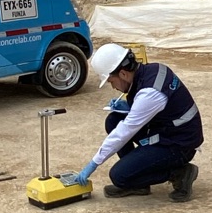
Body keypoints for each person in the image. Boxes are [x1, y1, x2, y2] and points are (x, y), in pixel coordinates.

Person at [61, 43, 202, 200]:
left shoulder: (149, 93)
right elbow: (156, 109)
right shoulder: (151, 70)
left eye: (111, 81)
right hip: (168, 130)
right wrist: (129, 106)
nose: (113, 87)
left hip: (179, 144)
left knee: (119, 176)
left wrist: (93, 164)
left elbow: (124, 132)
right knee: (113, 120)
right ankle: (139, 180)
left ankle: (180, 173)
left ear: (123, 74)